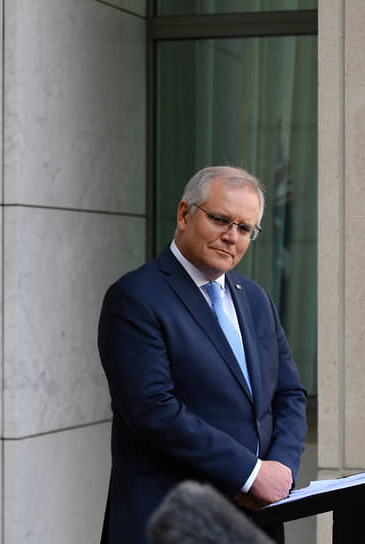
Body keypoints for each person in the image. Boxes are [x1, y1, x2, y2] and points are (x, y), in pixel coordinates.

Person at [97, 166, 308, 544]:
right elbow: (153, 410)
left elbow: (289, 395)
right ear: (184, 214)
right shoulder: (135, 298)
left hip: (256, 521)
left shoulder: (256, 299)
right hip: (172, 520)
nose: (232, 236)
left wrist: (280, 468)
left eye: (245, 228)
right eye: (221, 220)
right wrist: (249, 474)